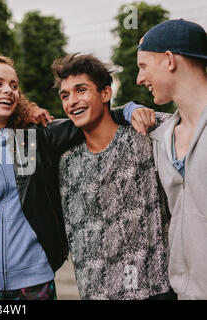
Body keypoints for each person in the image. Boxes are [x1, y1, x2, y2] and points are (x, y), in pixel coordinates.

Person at [0, 53, 127, 300]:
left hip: (37, 283)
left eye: (14, 85)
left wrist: (130, 110)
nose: (8, 90)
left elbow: (92, 116)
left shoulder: (37, 138)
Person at [54, 53, 175, 300]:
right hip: (97, 294)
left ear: (106, 93)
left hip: (155, 290)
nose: (72, 101)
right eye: (65, 95)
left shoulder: (147, 134)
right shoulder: (65, 162)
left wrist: (132, 108)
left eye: (81, 90)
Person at [125, 19, 207, 300]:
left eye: (143, 66)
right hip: (184, 293)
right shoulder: (162, 138)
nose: (139, 79)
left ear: (169, 59)